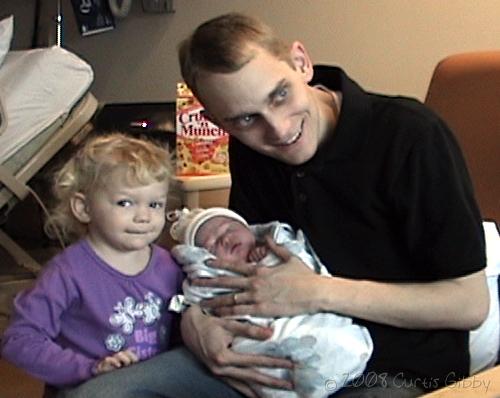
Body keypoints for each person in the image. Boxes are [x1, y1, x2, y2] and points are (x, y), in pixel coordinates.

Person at [58, 12, 489, 398]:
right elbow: (232, 260)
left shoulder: (410, 137)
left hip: (395, 367)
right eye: (244, 119)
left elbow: (469, 304)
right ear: (214, 120)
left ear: (301, 62)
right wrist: (194, 323)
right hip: (266, 351)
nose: (278, 131)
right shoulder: (250, 149)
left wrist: (319, 292)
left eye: (280, 95)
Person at [0, 133, 183, 389]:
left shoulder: (170, 265)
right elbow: (19, 340)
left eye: (154, 204)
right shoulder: (66, 272)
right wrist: (88, 369)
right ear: (83, 208)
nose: (144, 216)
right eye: (125, 202)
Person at [167, 206, 373, 398]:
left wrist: (268, 258)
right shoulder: (209, 276)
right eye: (212, 245)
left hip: (307, 318)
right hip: (253, 336)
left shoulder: (273, 246)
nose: (225, 239)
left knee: (334, 342)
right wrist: (192, 316)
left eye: (230, 228)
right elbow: (197, 300)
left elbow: (303, 265)